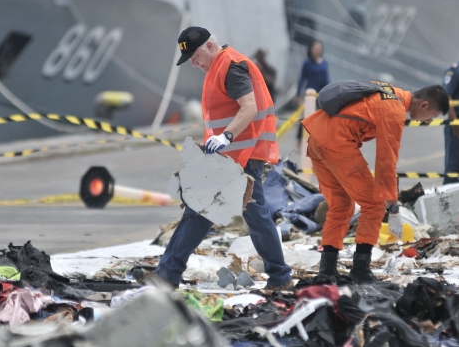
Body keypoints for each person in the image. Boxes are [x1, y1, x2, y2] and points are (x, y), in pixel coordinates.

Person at [136, 26, 293, 291]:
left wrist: (226, 137)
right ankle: (280, 277)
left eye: (195, 57)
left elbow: (249, 107)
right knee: (241, 215)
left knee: (202, 213)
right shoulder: (217, 68)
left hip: (240, 155)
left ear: (209, 46)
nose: (194, 64)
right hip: (230, 157)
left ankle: (167, 275)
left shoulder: (231, 66)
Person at [301, 83, 449, 284]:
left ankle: (327, 272)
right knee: (374, 204)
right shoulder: (394, 112)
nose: (428, 121)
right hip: (337, 143)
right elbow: (386, 162)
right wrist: (393, 208)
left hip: (318, 138)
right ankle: (360, 270)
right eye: (431, 115)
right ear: (423, 105)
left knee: (341, 206)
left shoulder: (390, 92)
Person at [295, 40, 330, 146]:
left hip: (321, 94)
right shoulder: (307, 63)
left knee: (322, 117)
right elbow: (302, 78)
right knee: (305, 117)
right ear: (311, 50)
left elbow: (327, 79)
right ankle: (299, 140)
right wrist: (298, 93)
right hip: (310, 94)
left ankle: (320, 141)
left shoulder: (324, 63)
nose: (317, 51)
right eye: (315, 49)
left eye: (319, 49)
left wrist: (329, 92)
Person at [442, 63, 459, 185]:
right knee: (453, 167)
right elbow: (447, 97)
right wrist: (455, 122)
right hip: (456, 128)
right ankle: (447, 201)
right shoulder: (454, 71)